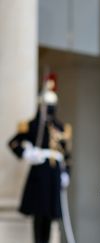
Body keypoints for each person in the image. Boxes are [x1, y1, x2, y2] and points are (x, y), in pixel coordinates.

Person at [8, 74, 72, 243]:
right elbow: (13, 143)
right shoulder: (32, 125)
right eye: (47, 106)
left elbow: (67, 156)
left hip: (54, 174)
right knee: (39, 213)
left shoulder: (61, 127)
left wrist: (67, 174)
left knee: (51, 215)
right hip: (40, 173)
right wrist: (27, 154)